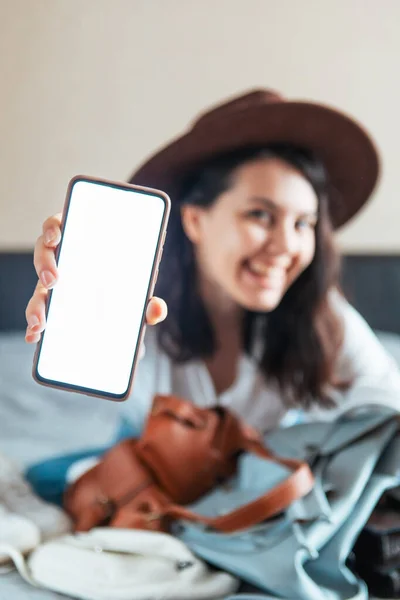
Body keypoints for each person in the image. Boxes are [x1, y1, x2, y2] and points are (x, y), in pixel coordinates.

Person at [25, 88, 400, 440]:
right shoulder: (139, 305)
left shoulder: (320, 316)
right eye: (260, 215)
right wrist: (83, 312)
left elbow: (387, 406)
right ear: (195, 221)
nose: (286, 246)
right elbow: (82, 412)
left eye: (303, 224)